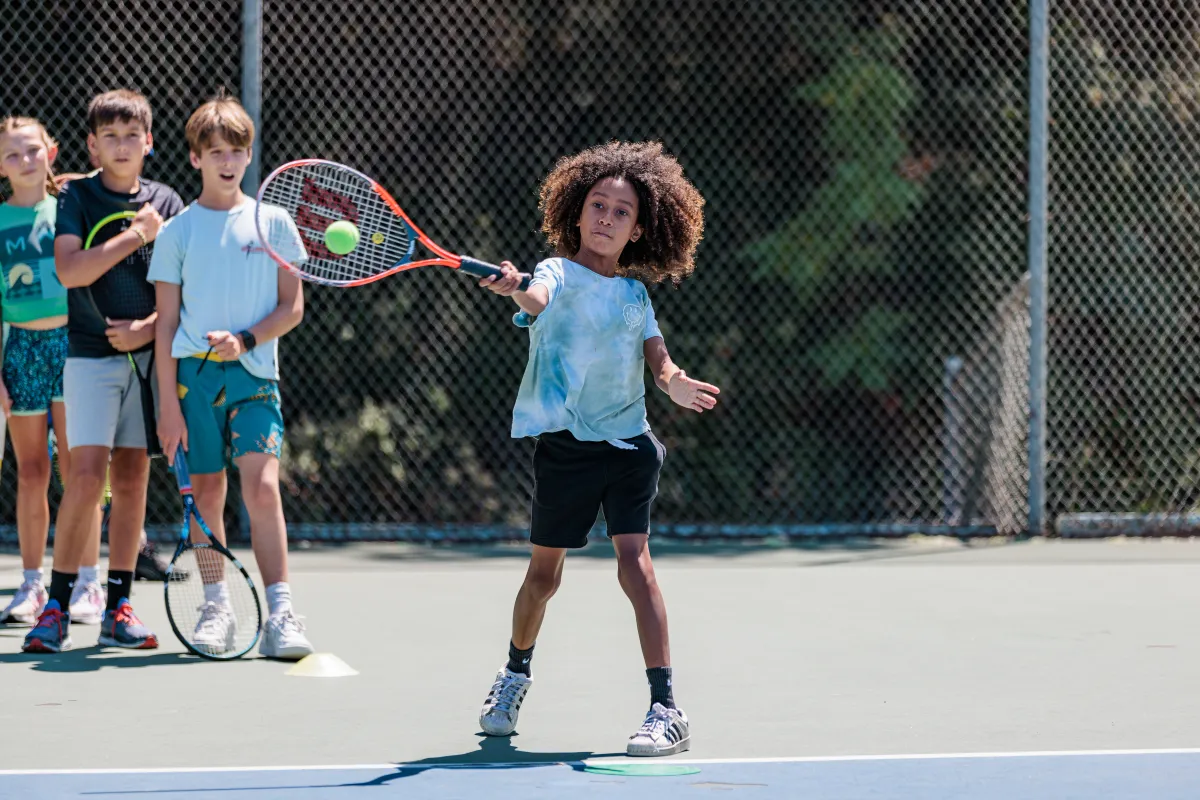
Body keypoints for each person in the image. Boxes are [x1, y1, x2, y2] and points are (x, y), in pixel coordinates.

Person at [475, 141, 719, 756]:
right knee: (543, 577)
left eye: (621, 212)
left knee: (635, 563)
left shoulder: (636, 297)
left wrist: (675, 383)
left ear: (638, 230)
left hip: (630, 446)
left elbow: (659, 361)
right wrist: (514, 286)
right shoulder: (556, 273)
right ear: (576, 213)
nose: (607, 218)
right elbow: (535, 298)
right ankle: (514, 675)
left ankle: (666, 708)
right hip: (566, 449)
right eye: (597, 206)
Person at [151, 92, 313, 660]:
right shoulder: (176, 232)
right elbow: (165, 325)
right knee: (207, 493)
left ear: (249, 155)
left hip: (254, 377)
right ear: (195, 157)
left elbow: (292, 308)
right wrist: (167, 406)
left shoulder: (274, 224)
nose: (227, 161)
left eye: (236, 151)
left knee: (262, 487)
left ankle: (281, 615)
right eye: (215, 151)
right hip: (192, 383)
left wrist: (244, 339)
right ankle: (216, 606)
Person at [23, 89, 184, 653]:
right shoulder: (76, 196)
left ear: (149, 142)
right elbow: (70, 271)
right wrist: (136, 234)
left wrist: (147, 329)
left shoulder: (167, 200)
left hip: (145, 361)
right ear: (92, 145)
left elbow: (182, 290)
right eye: (109, 137)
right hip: (87, 355)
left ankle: (119, 607)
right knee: (87, 477)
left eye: (131, 136)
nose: (121, 146)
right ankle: (56, 608)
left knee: (134, 477)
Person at [0, 117, 100, 624]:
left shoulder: (71, 207)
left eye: (33, 150)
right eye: (12, 154)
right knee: (32, 471)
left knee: (79, 470)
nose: (25, 161)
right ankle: (32, 584)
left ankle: (88, 582)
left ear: (52, 152)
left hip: (73, 345)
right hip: (21, 351)